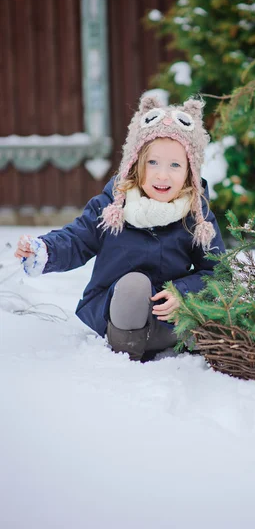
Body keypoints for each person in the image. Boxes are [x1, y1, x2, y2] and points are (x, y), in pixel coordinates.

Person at [14, 94, 225, 361]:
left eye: (175, 165)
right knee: (134, 284)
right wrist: (44, 249)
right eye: (153, 162)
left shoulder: (197, 216)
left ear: (190, 171)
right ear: (135, 163)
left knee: (208, 319)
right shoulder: (113, 206)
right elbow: (78, 239)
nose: (163, 174)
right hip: (116, 312)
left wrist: (182, 294)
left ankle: (180, 337)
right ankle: (127, 353)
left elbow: (216, 271)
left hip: (170, 315)